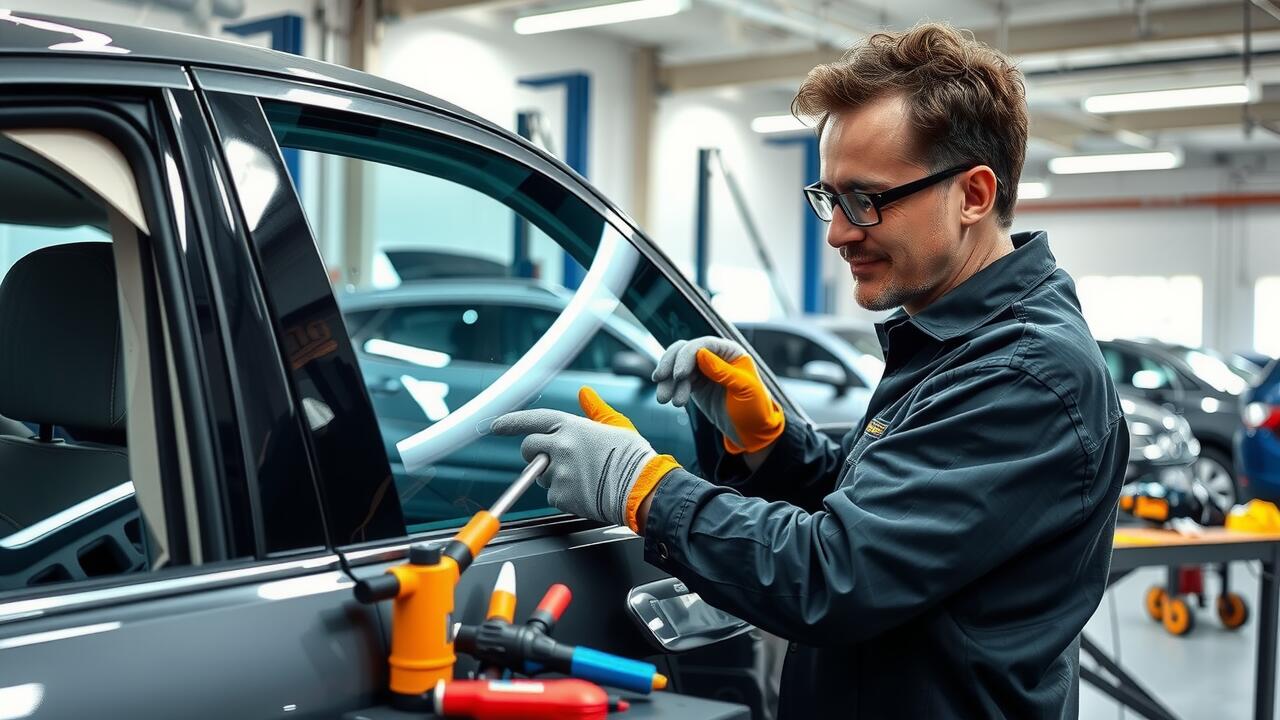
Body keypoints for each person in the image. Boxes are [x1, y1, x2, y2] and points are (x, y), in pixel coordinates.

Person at [492, 22, 1127, 719]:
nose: (837, 233)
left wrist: (643, 488)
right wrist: (771, 445)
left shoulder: (1026, 375)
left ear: (973, 195)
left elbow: (836, 574)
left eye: (866, 199)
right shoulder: (952, 340)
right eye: (829, 197)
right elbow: (888, 521)